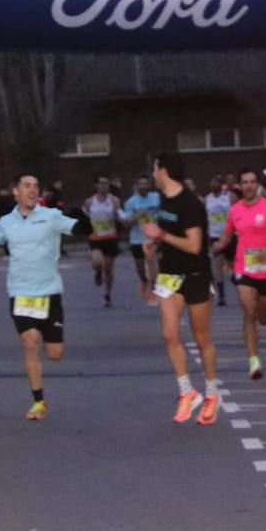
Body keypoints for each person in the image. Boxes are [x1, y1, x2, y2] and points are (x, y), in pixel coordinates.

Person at [0, 174, 83, 420]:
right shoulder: (6, 222)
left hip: (49, 292)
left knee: (54, 354)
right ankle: (38, 402)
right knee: (29, 342)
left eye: (36, 186)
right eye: (26, 186)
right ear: (15, 192)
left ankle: (49, 352)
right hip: (21, 292)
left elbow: (79, 229)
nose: (32, 190)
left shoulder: (51, 217)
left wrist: (83, 218)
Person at [142, 152, 221, 425]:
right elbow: (167, 236)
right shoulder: (164, 200)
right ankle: (187, 391)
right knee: (169, 334)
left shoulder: (189, 203)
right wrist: (154, 246)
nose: (152, 174)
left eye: (154, 168)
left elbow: (194, 245)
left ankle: (212, 394)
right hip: (169, 275)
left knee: (201, 337)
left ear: (163, 170)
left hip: (196, 274)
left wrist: (161, 235)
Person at [214, 167, 266, 380]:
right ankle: (254, 361)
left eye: (252, 182)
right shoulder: (235, 210)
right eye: (245, 182)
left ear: (257, 185)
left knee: (263, 317)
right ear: (239, 186)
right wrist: (218, 245)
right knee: (249, 312)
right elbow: (228, 234)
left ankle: (260, 319)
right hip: (244, 268)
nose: (249, 186)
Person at [120, 176, 162, 305]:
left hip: (153, 239)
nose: (143, 186)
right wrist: (138, 215)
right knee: (140, 268)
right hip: (137, 239)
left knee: (152, 261)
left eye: (145, 184)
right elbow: (125, 223)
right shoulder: (131, 202)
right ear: (136, 186)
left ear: (149, 185)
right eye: (140, 184)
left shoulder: (156, 198)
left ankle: (154, 290)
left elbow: (165, 213)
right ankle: (144, 281)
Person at [84, 177, 122, 308]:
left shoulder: (114, 200)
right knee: (97, 262)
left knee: (108, 268)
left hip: (110, 238)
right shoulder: (89, 202)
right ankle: (97, 272)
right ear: (96, 186)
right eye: (101, 183)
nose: (104, 186)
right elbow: (85, 218)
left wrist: (118, 215)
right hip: (95, 238)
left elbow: (119, 216)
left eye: (106, 183)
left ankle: (107, 294)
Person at [204, 175, 237, 305]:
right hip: (215, 236)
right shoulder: (207, 199)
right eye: (211, 182)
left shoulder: (230, 197)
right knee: (217, 264)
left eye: (216, 182)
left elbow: (240, 211)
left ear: (221, 184)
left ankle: (237, 277)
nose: (213, 184)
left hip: (230, 235)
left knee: (235, 262)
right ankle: (221, 296)